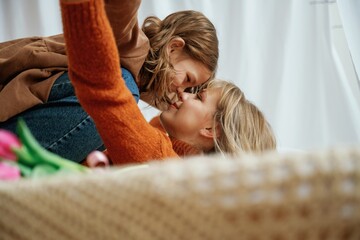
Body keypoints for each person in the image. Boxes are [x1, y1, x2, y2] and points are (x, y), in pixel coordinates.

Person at [59, 0, 276, 165]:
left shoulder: (160, 156)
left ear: (211, 129)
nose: (183, 94)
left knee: (122, 86)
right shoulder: (166, 156)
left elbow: (104, 90)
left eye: (198, 96)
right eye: (191, 87)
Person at [0, 0, 219, 162]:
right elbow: (117, 11)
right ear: (173, 47)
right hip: (11, 101)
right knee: (120, 94)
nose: (183, 92)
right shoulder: (131, 46)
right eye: (188, 80)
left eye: (192, 89)